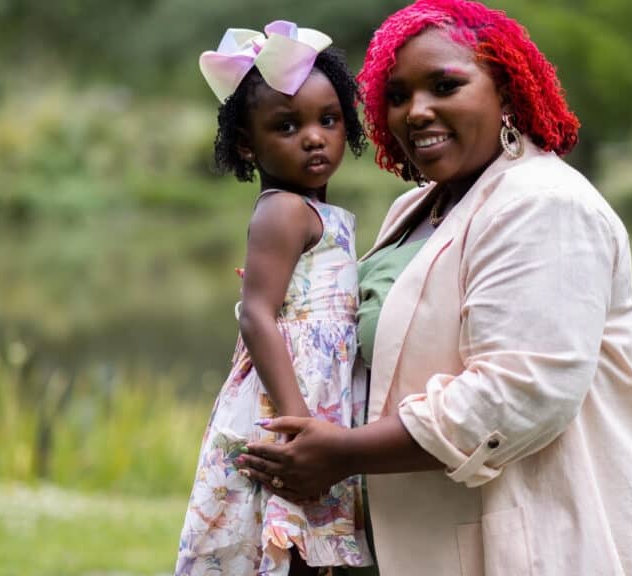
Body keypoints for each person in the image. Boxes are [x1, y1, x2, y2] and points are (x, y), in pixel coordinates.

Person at [237, 1, 632, 575]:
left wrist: (341, 454)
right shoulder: (417, 206)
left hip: (528, 537)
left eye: (444, 85)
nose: (417, 111)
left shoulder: (544, 203)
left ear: (505, 90)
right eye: (397, 96)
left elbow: (519, 393)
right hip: (414, 538)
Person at [174, 20, 372, 576]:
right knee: (285, 540)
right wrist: (296, 421)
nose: (314, 137)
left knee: (300, 545)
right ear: (247, 143)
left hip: (310, 396)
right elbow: (257, 316)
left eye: (328, 120)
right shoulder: (283, 209)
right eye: (287, 126)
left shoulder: (309, 209)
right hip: (292, 402)